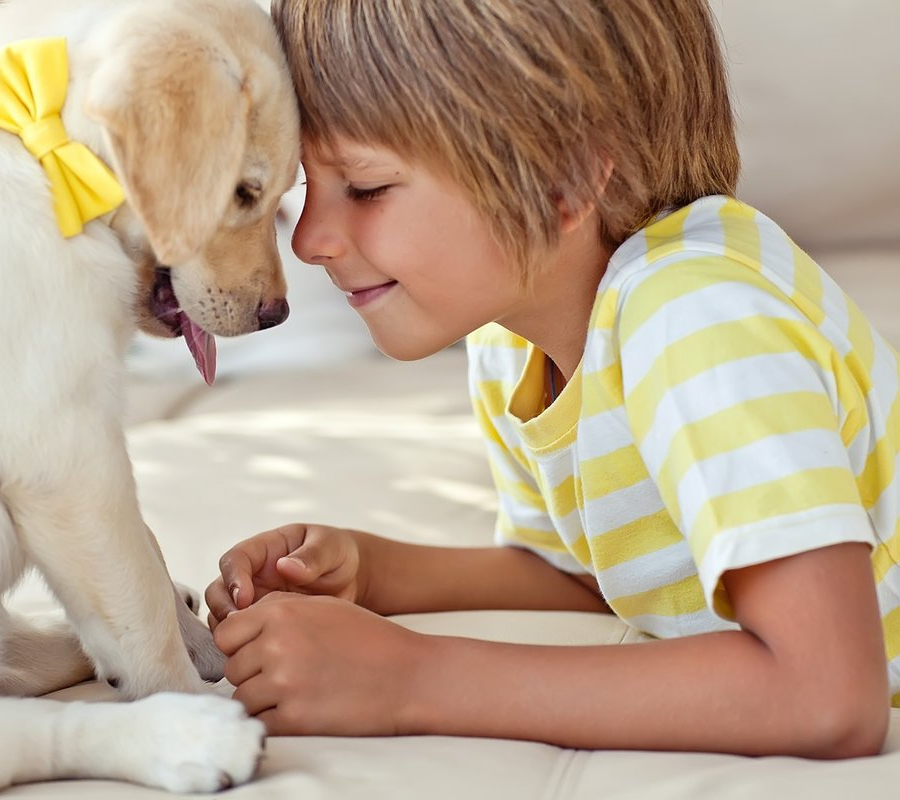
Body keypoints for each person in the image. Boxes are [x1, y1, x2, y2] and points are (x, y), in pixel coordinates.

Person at [204, 0, 900, 759]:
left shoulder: (697, 320)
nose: (308, 242)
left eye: (366, 187)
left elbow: (828, 695)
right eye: (308, 190)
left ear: (566, 182)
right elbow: (599, 573)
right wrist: (372, 574)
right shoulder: (517, 336)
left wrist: (410, 678)